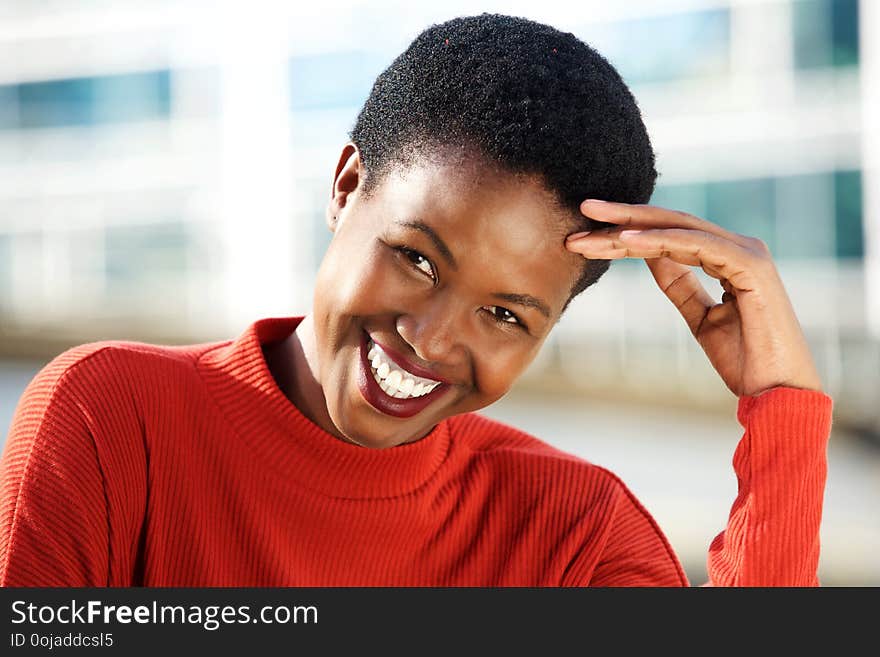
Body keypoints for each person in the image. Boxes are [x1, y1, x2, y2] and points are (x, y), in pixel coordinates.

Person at [0, 13, 831, 587]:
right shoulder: (111, 418)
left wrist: (782, 407)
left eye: (506, 314)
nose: (428, 338)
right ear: (347, 185)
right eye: (417, 260)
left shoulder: (575, 533)